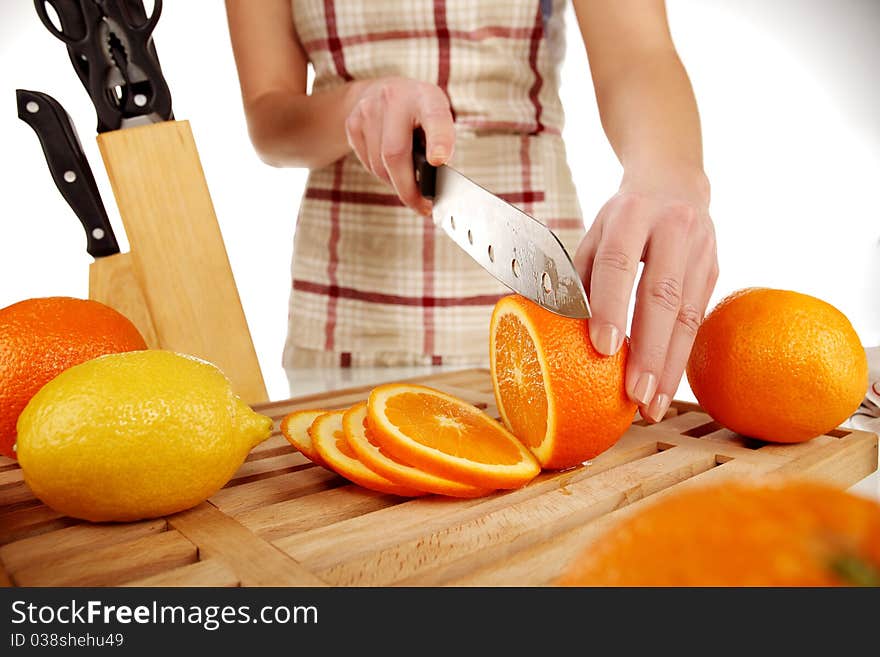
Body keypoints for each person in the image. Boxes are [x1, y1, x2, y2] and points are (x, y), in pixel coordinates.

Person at [225, 0, 717, 422]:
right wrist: (355, 103)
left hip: (537, 314)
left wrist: (668, 173)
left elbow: (638, 56)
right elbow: (269, 116)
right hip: (340, 321)